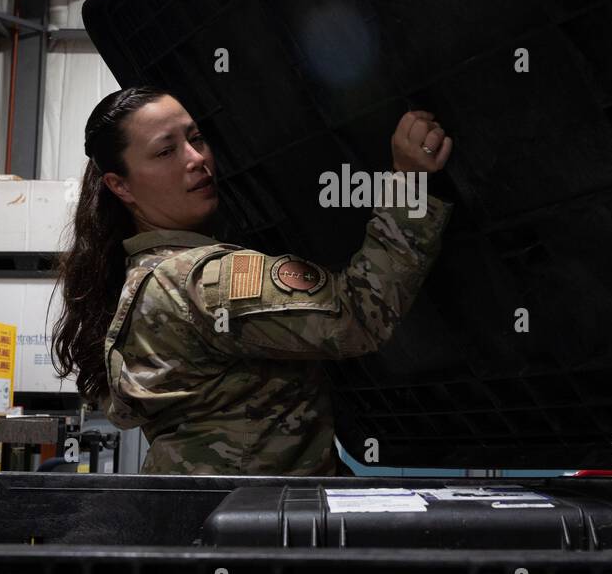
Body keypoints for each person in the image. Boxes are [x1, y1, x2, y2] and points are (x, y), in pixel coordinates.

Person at [52, 87, 453, 476]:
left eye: (196, 138)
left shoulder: (143, 276)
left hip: (206, 515)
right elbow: (357, 315)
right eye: (165, 151)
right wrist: (409, 182)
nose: (195, 158)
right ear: (119, 185)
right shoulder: (207, 279)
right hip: (254, 525)